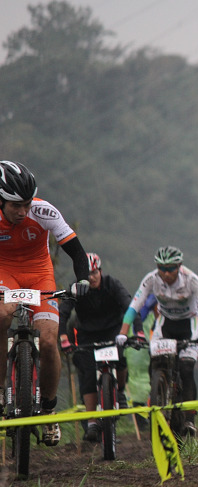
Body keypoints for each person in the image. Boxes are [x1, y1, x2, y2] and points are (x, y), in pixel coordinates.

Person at [0, 160, 90, 447]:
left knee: (50, 340)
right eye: (16, 206)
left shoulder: (43, 211)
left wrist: (82, 280)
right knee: (2, 316)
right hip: (5, 272)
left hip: (40, 274)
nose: (23, 211)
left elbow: (77, 253)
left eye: (27, 203)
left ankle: (49, 409)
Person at [122, 246, 198, 437]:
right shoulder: (152, 278)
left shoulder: (191, 279)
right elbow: (135, 305)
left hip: (189, 326)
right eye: (161, 268)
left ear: (179, 266)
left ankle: (189, 417)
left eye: (170, 268)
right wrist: (123, 332)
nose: (165, 273)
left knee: (187, 369)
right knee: (154, 363)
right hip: (164, 325)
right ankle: (156, 395)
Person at [58, 252, 145, 442]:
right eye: (87, 274)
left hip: (112, 330)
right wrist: (63, 338)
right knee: (89, 374)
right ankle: (92, 422)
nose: (91, 277)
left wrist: (138, 331)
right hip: (87, 333)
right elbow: (63, 312)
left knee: (120, 360)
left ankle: (119, 391)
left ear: (100, 271)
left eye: (94, 272)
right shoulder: (76, 288)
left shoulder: (112, 284)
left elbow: (129, 307)